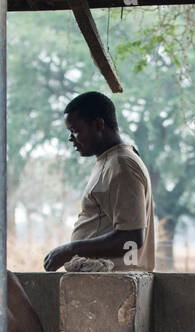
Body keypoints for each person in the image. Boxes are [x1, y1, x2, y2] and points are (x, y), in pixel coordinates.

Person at [43, 91, 156, 272]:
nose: (71, 138)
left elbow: (131, 237)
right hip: (103, 282)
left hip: (114, 283)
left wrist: (71, 250)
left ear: (98, 124)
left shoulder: (121, 165)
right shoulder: (109, 161)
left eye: (75, 130)